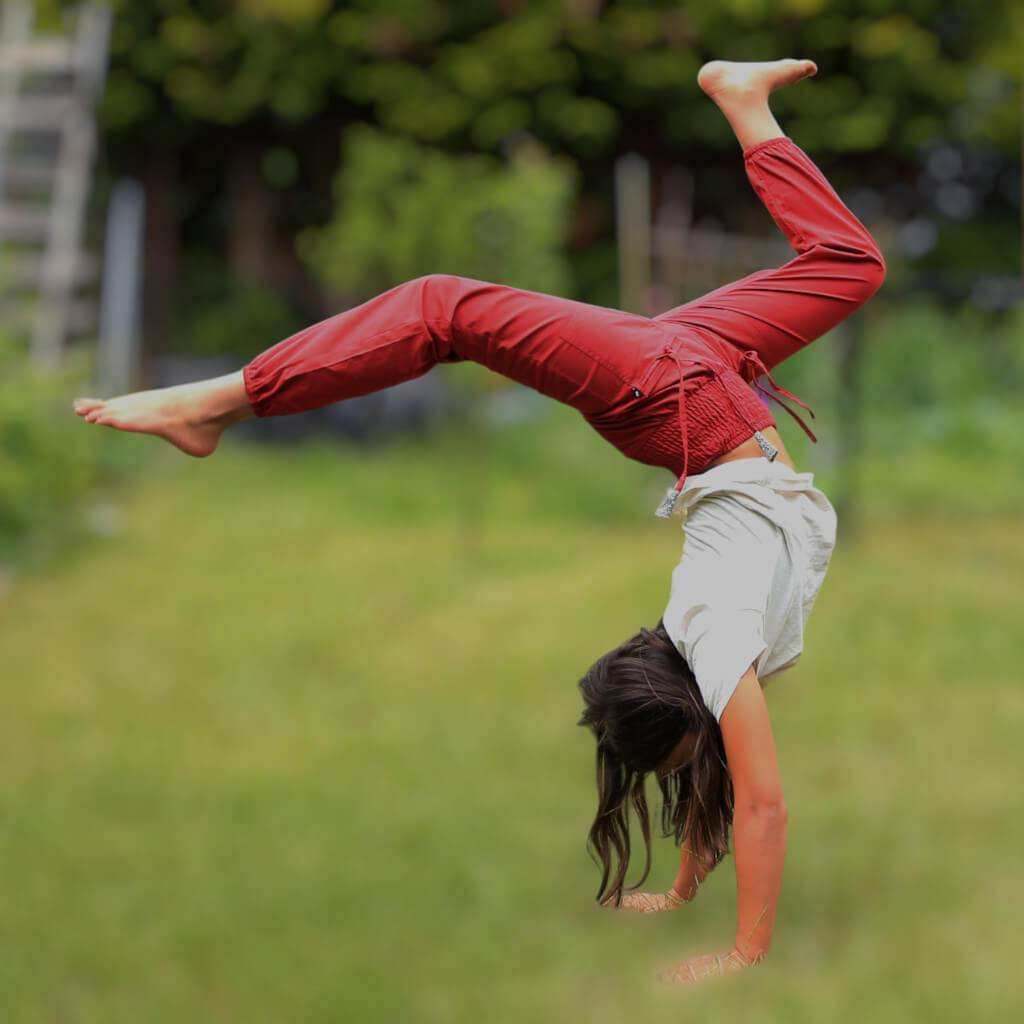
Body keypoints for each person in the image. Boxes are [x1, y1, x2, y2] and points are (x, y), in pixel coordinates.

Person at [72, 58, 885, 986]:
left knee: (440, 307)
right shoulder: (733, 654)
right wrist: (691, 900)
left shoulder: (717, 631)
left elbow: (751, 799)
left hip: (673, 395)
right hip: (702, 382)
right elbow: (740, 795)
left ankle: (216, 405)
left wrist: (739, 954)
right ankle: (744, 103)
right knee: (852, 266)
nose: (704, 769)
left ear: (688, 700)